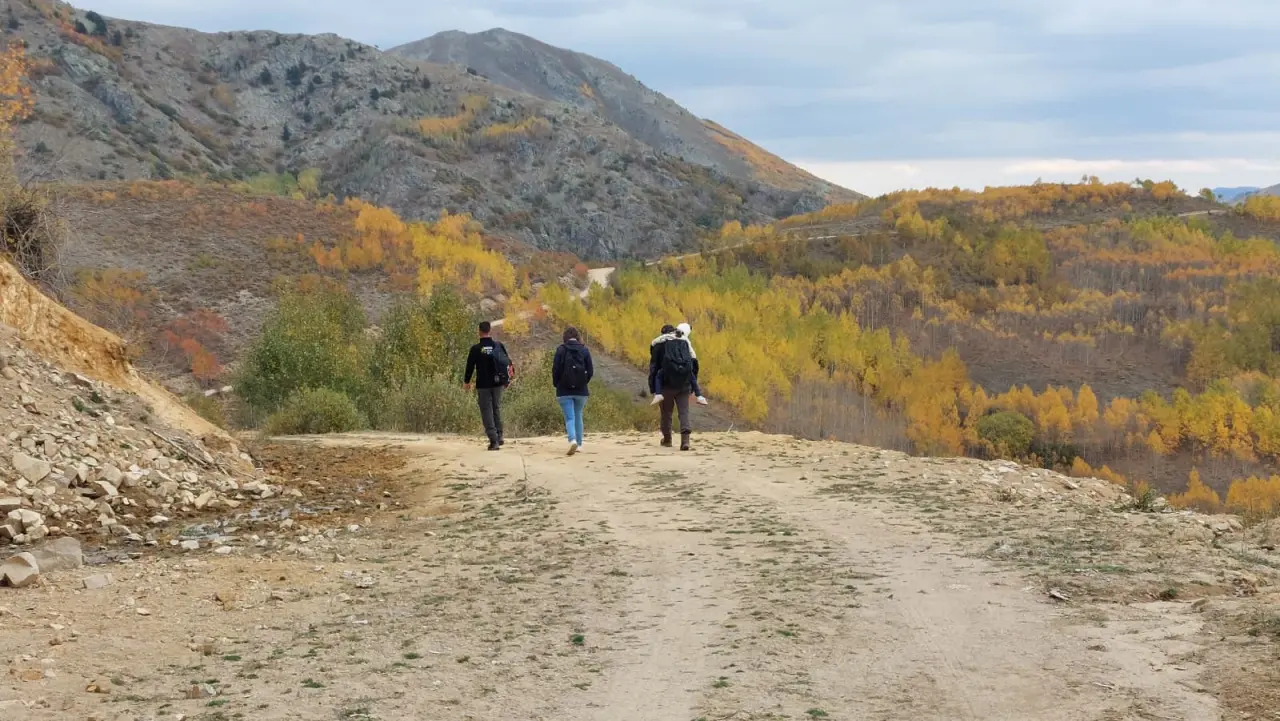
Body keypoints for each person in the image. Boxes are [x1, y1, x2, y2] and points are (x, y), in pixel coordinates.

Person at [648, 322, 700, 450]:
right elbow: (693, 364)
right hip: (684, 383)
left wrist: (654, 388)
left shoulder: (658, 344)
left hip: (666, 384)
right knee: (684, 412)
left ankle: (667, 439)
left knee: (666, 413)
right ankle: (685, 441)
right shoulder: (684, 342)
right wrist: (693, 385)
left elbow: (653, 367)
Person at [464, 321, 514, 451]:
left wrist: (467, 381)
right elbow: (507, 363)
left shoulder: (475, 349)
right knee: (496, 408)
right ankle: (500, 435)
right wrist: (506, 380)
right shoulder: (498, 346)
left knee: (486, 411)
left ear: (479, 331)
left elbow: (469, 367)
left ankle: (494, 440)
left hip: (483, 385)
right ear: (490, 331)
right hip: (498, 384)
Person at [552, 326, 594, 455]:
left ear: (565, 337)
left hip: (564, 390)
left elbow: (555, 370)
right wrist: (583, 382)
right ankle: (580, 444)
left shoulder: (560, 350)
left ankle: (572, 440)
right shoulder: (585, 350)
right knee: (578, 415)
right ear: (577, 337)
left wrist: (557, 384)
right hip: (581, 390)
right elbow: (591, 371)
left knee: (569, 417)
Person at [650, 321, 708, 407]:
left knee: (659, 375)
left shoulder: (667, 338)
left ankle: (658, 394)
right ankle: (699, 395)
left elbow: (655, 342)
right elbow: (693, 357)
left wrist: (652, 345)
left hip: (670, 368)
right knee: (691, 375)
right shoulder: (686, 341)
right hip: (684, 369)